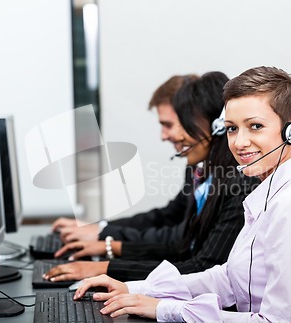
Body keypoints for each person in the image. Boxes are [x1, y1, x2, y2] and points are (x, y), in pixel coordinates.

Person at [73, 66, 291, 323]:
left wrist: (165, 308)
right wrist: (136, 289)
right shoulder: (267, 195)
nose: (239, 142)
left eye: (255, 126)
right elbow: (227, 279)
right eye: (232, 129)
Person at [43, 71, 259, 282]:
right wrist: (104, 238)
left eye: (171, 124)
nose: (165, 136)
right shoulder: (205, 171)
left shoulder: (240, 184)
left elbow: (201, 265)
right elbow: (180, 237)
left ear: (215, 126)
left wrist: (106, 260)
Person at [51, 74, 199, 244]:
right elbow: (168, 216)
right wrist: (100, 229)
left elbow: (178, 238)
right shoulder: (196, 167)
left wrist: (106, 240)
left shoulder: (223, 174)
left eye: (168, 125)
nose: (163, 136)